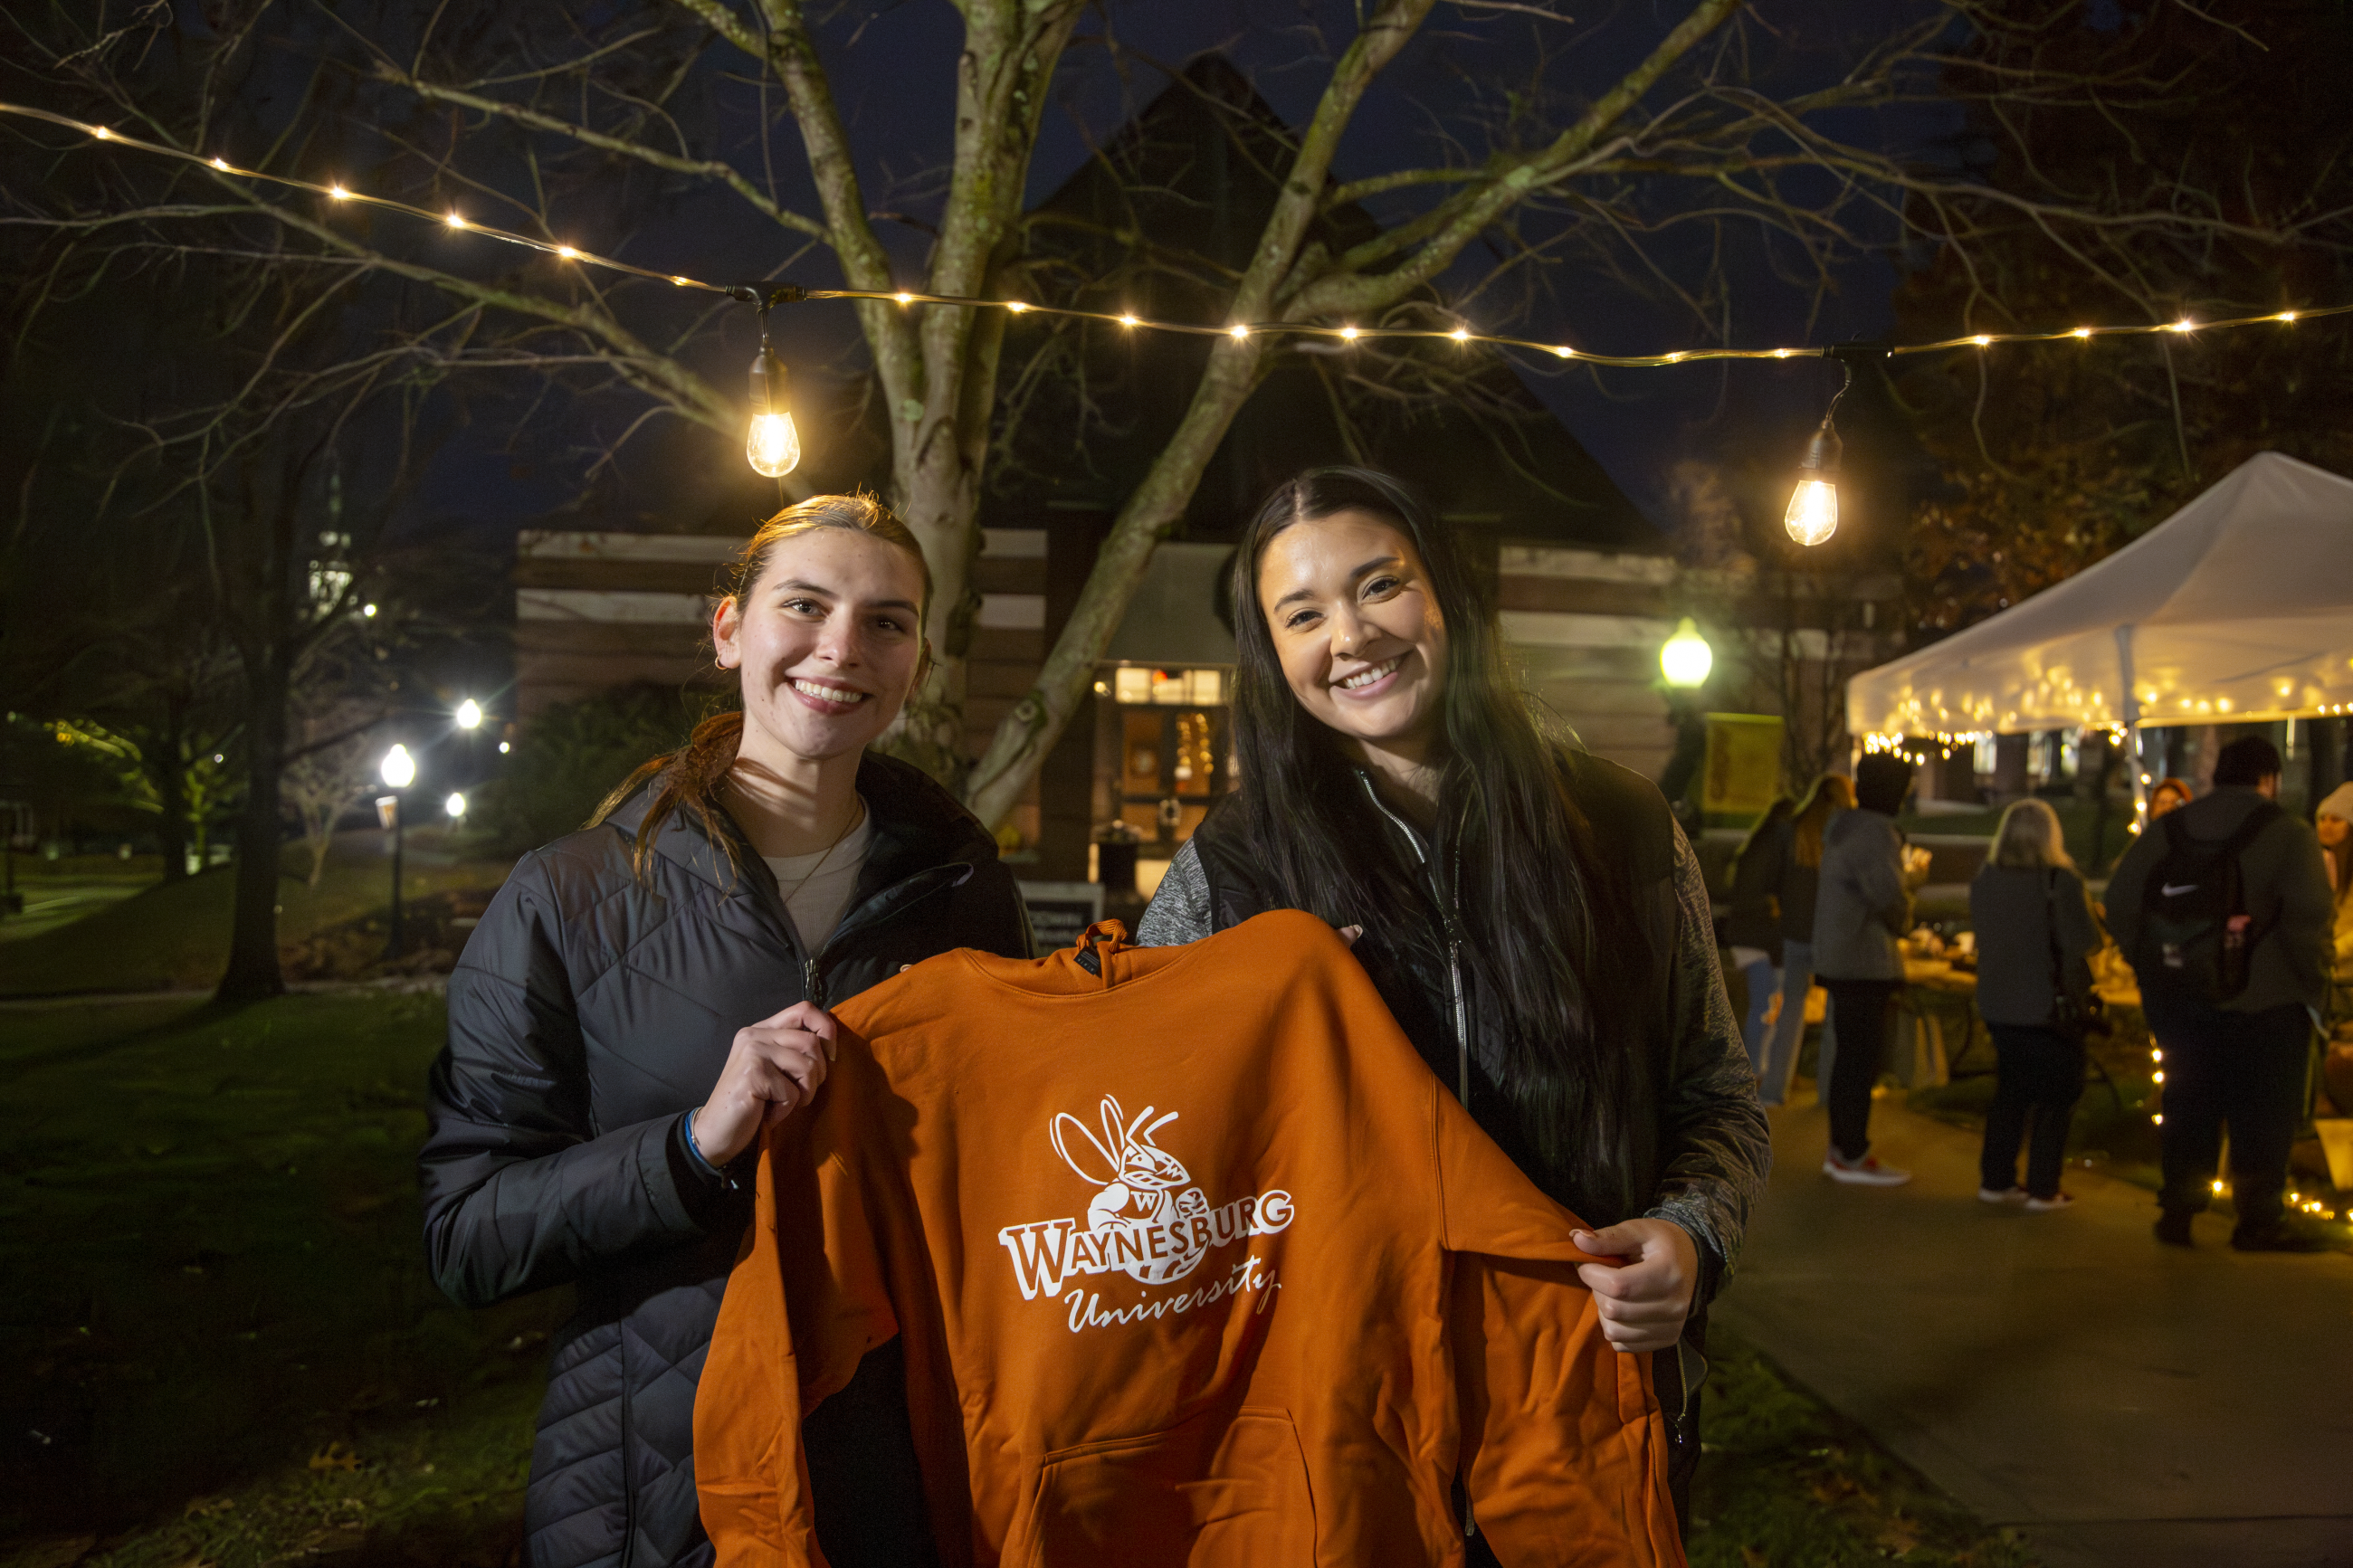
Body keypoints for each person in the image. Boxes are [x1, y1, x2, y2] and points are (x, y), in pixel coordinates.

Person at [1133, 467, 1770, 1539]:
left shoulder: (1619, 826)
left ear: (1444, 598)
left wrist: (1688, 1233)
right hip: (1342, 1429)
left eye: (1379, 585)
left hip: (1586, 1403)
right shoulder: (1231, 869)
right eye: (1302, 613)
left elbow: (1715, 1092)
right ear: (1270, 652)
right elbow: (1153, 1131)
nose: (1351, 635)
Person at [419, 495, 1031, 1568]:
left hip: (903, 1484)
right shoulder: (565, 894)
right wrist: (693, 1144)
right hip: (653, 1499)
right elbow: (467, 1233)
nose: (841, 647)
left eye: (887, 620)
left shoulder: (966, 898)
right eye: (805, 604)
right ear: (727, 629)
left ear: (917, 663)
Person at [2106, 735, 2333, 1251]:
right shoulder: (2289, 834)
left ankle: (2179, 1211)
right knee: (2263, 1113)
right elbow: (2308, 923)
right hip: (2265, 1001)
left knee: (2189, 1101)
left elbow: (2120, 902)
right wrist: (2315, 988)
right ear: (2269, 779)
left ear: (2218, 775)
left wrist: (2150, 966)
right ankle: (2258, 1220)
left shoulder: (2170, 827)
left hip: (2181, 998)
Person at [1968, 799, 2103, 1211]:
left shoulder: (1986, 879)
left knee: (2011, 1090)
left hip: (1998, 1002)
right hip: (2047, 1004)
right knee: (2058, 1093)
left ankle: (1997, 1179)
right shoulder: (2059, 882)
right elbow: (2086, 942)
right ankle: (2044, 1185)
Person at [1811, 752, 1931, 1184]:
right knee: (1860, 1059)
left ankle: (1843, 1148)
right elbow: (1890, 900)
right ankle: (1850, 1152)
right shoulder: (1875, 834)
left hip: (1841, 958)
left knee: (1850, 1055)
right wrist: (1911, 891)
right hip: (1863, 962)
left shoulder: (1845, 828)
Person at [1758, 774, 1853, 1105]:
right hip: (1833, 936)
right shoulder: (1845, 833)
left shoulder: (1791, 830)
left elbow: (1770, 882)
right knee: (1834, 1020)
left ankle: (1774, 1090)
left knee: (1791, 1013)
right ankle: (1829, 1093)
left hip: (1795, 934)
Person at [1724, 796, 1795, 1082]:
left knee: (1760, 1006)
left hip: (1750, 937)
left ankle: (1754, 1068)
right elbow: (1754, 897)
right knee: (1764, 1006)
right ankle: (1754, 1072)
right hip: (1759, 938)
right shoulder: (1773, 849)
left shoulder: (1756, 846)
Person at [2314, 781, 2353, 970]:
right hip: (2328, 974)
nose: (2326, 825)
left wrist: (2333, 952)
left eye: (2336, 820)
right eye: (2322, 819)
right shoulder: (2320, 862)